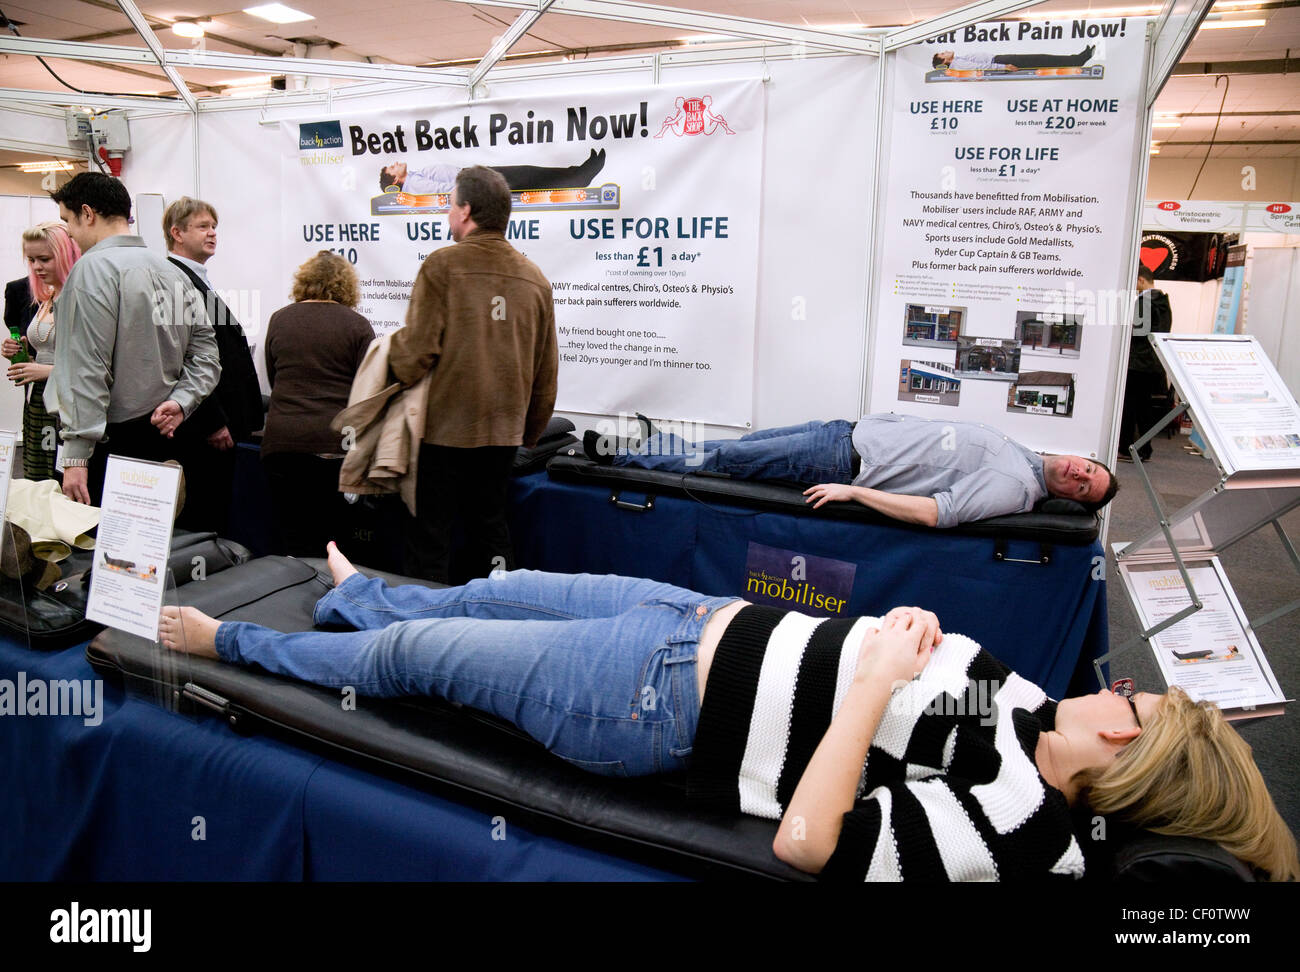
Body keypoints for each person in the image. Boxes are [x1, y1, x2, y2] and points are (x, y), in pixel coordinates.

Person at [158, 543, 1299, 882]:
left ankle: (237, 645)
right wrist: (906, 644)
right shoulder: (1043, 717)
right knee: (489, 587)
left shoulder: (1016, 831)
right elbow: (931, 668)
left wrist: (868, 685)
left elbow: (809, 841)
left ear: (1124, 761)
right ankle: (353, 586)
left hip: (650, 700)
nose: (1123, 691)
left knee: (417, 656)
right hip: (695, 615)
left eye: (1138, 708)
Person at [390, 165, 558, 583]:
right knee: (491, 532)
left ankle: (421, 633)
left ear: (465, 211)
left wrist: (389, 366)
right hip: (503, 435)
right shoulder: (535, 278)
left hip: (443, 432)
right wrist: (529, 434)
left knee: (429, 538)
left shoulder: (442, 266)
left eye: (450, 205)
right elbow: (546, 370)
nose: (448, 215)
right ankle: (495, 624)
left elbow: (415, 354)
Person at [586, 413, 1117, 527]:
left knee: (724, 461)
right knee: (735, 448)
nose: (1079, 471)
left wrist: (854, 492)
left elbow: (939, 513)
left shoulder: (1014, 485)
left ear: (1073, 499)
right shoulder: (1023, 454)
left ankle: (618, 454)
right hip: (842, 433)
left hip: (841, 461)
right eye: (1089, 467)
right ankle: (654, 444)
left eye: (1084, 485)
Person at [48, 172, 220, 507]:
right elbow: (206, 357)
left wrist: (76, 456)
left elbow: (86, 367)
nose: (68, 232)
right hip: (163, 433)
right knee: (149, 552)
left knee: (103, 551)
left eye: (67, 220)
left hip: (106, 444)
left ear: (87, 213)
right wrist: (182, 401)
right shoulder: (173, 272)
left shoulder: (91, 270)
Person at [261, 251, 375, 556]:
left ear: (304, 281)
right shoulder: (358, 325)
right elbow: (367, 393)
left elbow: (274, 378)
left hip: (282, 444)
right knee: (335, 543)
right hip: (334, 447)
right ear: (347, 286)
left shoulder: (280, 319)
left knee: (292, 537)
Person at [164, 196, 265, 533]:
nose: (212, 234)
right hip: (204, 427)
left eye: (214, 227)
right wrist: (212, 421)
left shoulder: (195, 278)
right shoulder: (176, 281)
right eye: (203, 226)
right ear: (177, 233)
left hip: (217, 422)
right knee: (204, 515)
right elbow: (183, 361)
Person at [2, 223, 81, 480]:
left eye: (44, 259)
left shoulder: (81, 299)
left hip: (68, 404)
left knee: (59, 479)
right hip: (38, 400)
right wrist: (23, 350)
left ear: (66, 255)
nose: (36, 267)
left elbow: (96, 366)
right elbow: (48, 344)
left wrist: (46, 371)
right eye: (32, 259)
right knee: (39, 479)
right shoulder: (47, 297)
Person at [1118, 266, 1173, 463]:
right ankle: (1144, 448)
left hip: (1138, 364)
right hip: (1152, 364)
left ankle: (1126, 448)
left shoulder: (1144, 302)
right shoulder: (1163, 301)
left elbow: (1138, 333)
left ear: (1141, 280)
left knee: (1130, 408)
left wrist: (1125, 328)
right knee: (1144, 409)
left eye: (1134, 283)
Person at [379, 148, 607, 194]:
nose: (396, 162)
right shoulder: (415, 185)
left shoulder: (416, 177)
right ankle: (579, 177)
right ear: (395, 179)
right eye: (392, 167)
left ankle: (577, 173)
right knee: (527, 176)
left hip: (473, 176)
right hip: (474, 180)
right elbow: (445, 190)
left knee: (527, 174)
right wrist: (476, 183)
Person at [932, 45, 1095, 72]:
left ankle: (1075, 59)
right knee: (1040, 59)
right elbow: (981, 68)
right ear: (944, 61)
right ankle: (1076, 60)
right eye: (943, 54)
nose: (945, 51)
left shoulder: (959, 59)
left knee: (1040, 58)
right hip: (1000, 62)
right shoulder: (959, 63)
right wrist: (1004, 67)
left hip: (1000, 59)